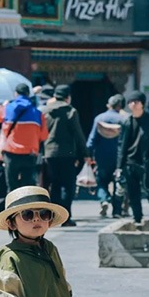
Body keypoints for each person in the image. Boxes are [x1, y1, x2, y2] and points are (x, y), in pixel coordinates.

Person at [43, 85, 91, 226]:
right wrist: (85, 153)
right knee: (67, 186)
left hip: (49, 153)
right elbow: (78, 134)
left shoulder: (45, 111)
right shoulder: (71, 111)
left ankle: (54, 217)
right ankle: (65, 217)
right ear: (67, 97)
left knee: (54, 185)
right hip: (67, 153)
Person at [116, 91, 149, 224]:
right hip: (129, 163)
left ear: (142, 104)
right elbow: (122, 145)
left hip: (146, 162)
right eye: (131, 102)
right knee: (133, 194)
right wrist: (119, 166)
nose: (133, 104)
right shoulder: (127, 121)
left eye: (136, 102)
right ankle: (137, 219)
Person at [86, 94, 127, 218]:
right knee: (118, 183)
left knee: (102, 182)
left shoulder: (99, 118)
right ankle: (117, 211)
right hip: (118, 158)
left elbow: (91, 140)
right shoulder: (123, 120)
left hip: (101, 157)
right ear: (120, 105)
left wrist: (88, 154)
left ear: (109, 105)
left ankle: (104, 200)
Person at [2, 83, 48, 192]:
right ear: (28, 94)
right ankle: (25, 207)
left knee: (11, 186)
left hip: (11, 153)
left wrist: (4, 105)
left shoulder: (9, 108)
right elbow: (44, 135)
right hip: (29, 153)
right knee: (27, 187)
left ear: (15, 94)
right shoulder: (37, 113)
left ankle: (12, 208)